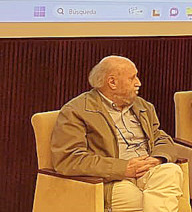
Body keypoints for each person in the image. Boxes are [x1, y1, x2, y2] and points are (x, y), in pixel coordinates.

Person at [51, 55, 184, 212]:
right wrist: (123, 168)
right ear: (112, 82)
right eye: (132, 78)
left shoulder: (143, 106)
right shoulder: (76, 111)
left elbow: (160, 137)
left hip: (148, 171)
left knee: (171, 171)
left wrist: (157, 158)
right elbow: (69, 159)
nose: (138, 83)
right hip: (112, 180)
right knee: (149, 202)